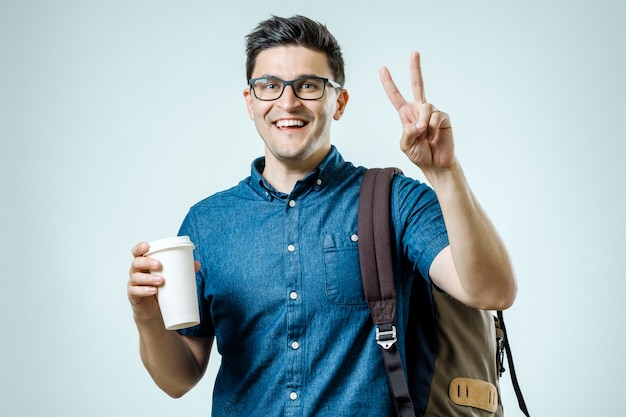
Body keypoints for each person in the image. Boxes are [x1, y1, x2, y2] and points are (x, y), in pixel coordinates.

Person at [127, 15, 517, 416]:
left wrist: (443, 172)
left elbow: (492, 291)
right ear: (251, 102)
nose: (288, 101)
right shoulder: (207, 224)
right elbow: (179, 379)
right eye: (270, 86)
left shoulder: (395, 200)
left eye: (308, 86)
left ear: (339, 101)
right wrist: (147, 318)